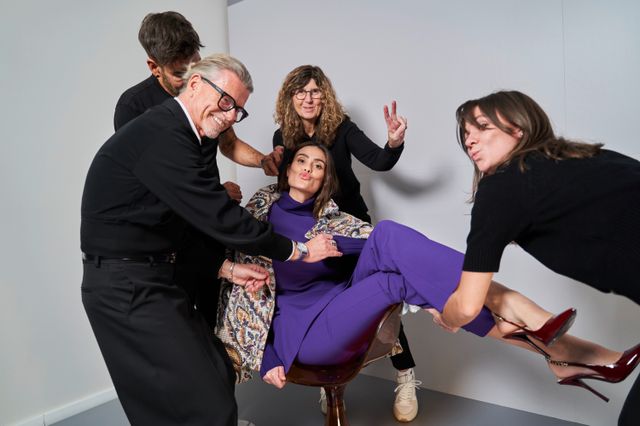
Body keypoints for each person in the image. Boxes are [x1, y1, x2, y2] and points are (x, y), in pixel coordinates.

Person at [217, 142, 639, 424]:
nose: (309, 169)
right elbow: (243, 297)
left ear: (325, 178)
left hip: (343, 303)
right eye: (302, 161)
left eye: (319, 165)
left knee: (388, 241)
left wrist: (332, 245)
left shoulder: (334, 220)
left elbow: (374, 245)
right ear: (287, 167)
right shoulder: (260, 213)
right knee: (401, 271)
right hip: (308, 334)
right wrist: (268, 355)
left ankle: (555, 348)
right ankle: (547, 335)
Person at [81, 55, 341, 426]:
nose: (231, 115)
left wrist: (227, 268)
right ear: (195, 84)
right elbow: (220, 216)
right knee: (194, 404)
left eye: (239, 110)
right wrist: (297, 251)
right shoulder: (163, 135)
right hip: (126, 287)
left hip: (157, 276)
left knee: (216, 371)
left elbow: (172, 225)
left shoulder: (186, 136)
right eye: (226, 101)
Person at [441, 90, 640, 425]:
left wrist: (448, 314)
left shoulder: (502, 186)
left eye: (483, 127)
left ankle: (579, 356)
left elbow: (467, 306)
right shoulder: (583, 158)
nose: (470, 140)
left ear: (518, 128)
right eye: (466, 134)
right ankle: (579, 356)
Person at [113, 11, 281, 330]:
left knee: (215, 321)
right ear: (154, 67)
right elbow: (153, 183)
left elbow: (229, 143)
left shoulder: (208, 87)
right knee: (177, 328)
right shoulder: (133, 107)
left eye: (196, 64)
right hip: (170, 242)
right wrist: (212, 193)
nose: (192, 78)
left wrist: (263, 161)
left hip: (209, 229)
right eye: (180, 72)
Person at [269, 64, 418, 421]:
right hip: (310, 236)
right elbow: (288, 187)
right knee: (325, 306)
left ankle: (406, 376)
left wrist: (394, 142)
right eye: (300, 91)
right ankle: (331, 385)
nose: (308, 98)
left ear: (325, 96)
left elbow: (379, 161)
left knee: (379, 300)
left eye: (315, 91)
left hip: (349, 230)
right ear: (290, 98)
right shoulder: (282, 136)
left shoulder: (342, 128)